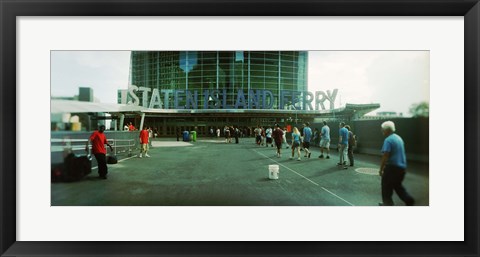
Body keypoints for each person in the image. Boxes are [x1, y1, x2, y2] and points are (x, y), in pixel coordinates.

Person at [379, 121, 415, 206]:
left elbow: (385, 155)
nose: (381, 131)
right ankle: (409, 199)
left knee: (386, 186)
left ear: (387, 130)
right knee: (397, 185)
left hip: (392, 168)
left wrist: (381, 169)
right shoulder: (399, 138)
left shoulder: (388, 140)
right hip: (401, 168)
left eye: (382, 129)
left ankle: (387, 204)